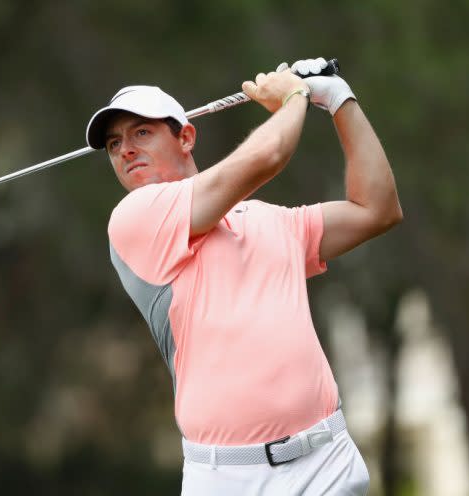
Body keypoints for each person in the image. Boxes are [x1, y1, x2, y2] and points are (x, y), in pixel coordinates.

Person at [85, 57, 402, 495]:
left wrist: (338, 99)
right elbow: (268, 154)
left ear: (186, 136)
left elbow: (377, 210)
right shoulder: (134, 220)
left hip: (327, 461)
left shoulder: (274, 222)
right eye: (114, 144)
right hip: (227, 477)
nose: (126, 149)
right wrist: (294, 96)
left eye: (141, 132)